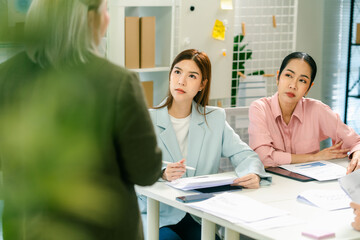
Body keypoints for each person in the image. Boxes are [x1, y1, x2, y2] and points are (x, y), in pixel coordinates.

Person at [0, 0, 162, 239]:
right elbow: (146, 171)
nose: (107, 19)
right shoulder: (117, 82)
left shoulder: (6, 77)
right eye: (105, 10)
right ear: (87, 19)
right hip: (102, 229)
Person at [138, 49, 271, 240]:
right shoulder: (146, 118)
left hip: (197, 214)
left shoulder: (214, 119)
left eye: (192, 76)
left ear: (202, 84)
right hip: (159, 214)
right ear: (170, 76)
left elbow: (245, 155)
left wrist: (253, 173)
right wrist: (161, 173)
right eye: (177, 72)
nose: (181, 81)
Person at [248, 52, 360, 173]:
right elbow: (263, 157)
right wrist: (314, 157)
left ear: (309, 87)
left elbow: (355, 141)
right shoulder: (260, 108)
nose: (293, 85)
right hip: (272, 182)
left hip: (309, 182)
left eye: (302, 80)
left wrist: (357, 153)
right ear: (278, 77)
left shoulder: (317, 109)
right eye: (288, 75)